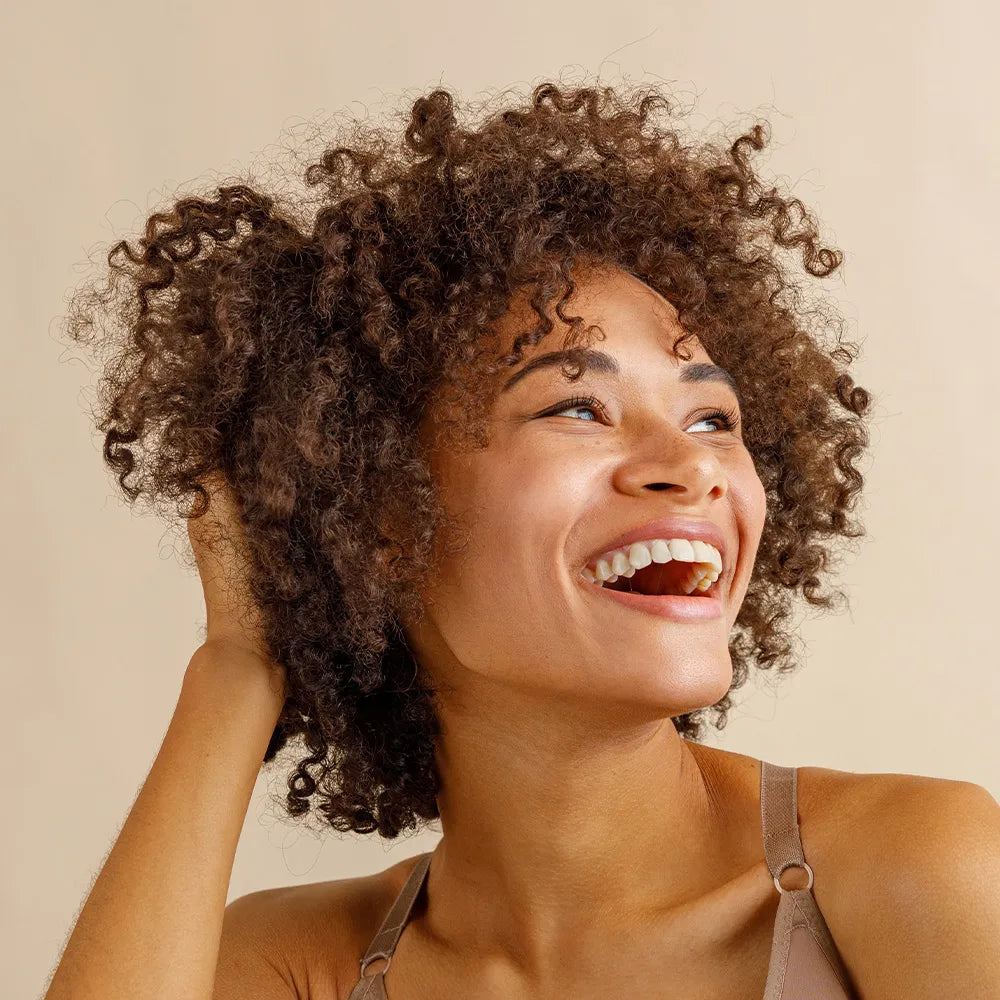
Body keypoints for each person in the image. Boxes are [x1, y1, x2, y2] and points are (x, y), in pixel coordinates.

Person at [47, 81, 1000, 1000]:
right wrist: (236, 671)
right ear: (378, 510)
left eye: (714, 419)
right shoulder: (296, 966)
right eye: (578, 406)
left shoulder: (916, 868)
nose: (691, 466)